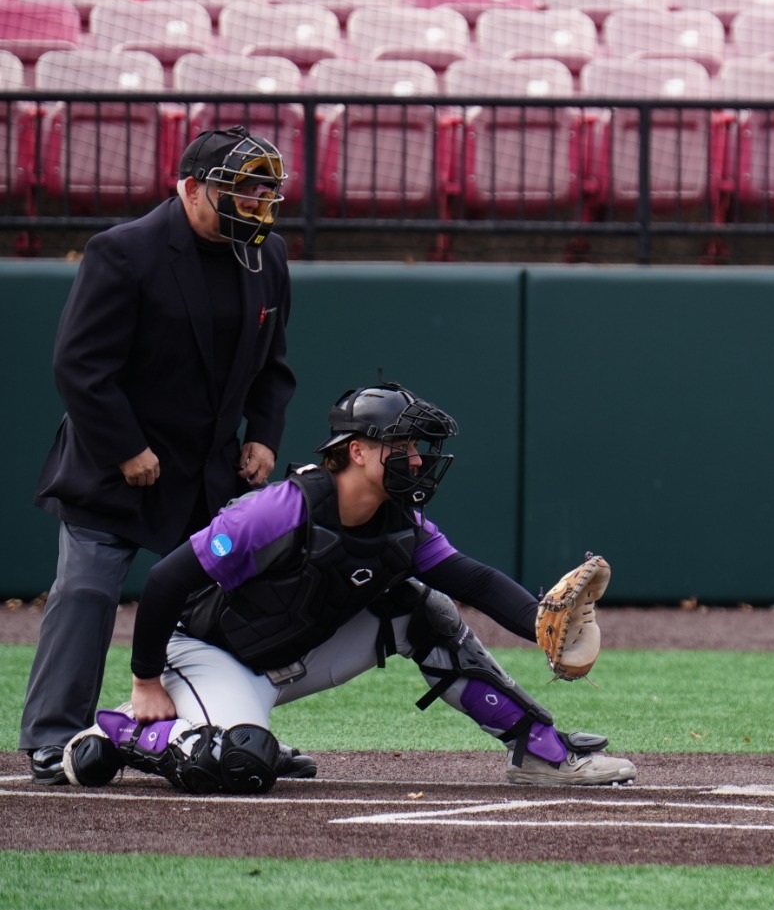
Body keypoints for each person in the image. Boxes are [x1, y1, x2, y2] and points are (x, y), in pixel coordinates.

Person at [59, 383, 636, 793]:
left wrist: (541, 622)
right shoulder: (279, 509)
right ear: (356, 451)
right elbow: (165, 581)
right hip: (212, 654)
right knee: (240, 762)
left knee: (423, 610)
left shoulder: (402, 524)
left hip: (294, 657)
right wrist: (145, 680)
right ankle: (123, 729)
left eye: (417, 449)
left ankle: (538, 748)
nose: (416, 460)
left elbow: (473, 581)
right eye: (401, 448)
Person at [21, 127, 298, 785]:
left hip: (206, 473)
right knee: (86, 592)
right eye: (241, 194)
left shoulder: (269, 257)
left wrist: (262, 435)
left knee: (237, 605)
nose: (256, 208)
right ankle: (52, 736)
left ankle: (239, 732)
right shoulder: (123, 251)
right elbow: (80, 365)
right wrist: (127, 449)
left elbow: (274, 367)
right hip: (112, 468)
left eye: (264, 196)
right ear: (193, 188)